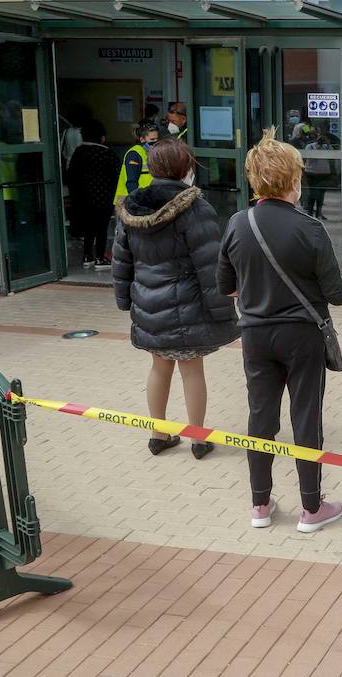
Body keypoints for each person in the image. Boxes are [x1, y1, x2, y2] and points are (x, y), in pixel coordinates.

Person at [217, 131, 342, 532]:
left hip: (255, 333)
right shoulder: (310, 229)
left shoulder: (238, 223)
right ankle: (312, 508)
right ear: (294, 180)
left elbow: (225, 285)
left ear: (254, 180)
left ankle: (260, 504)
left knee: (261, 416)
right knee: (306, 416)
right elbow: (337, 295)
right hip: (302, 335)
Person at [112, 139, 238, 460]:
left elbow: (121, 262)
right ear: (186, 168)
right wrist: (224, 312)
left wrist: (126, 302)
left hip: (148, 307)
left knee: (159, 367)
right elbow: (210, 268)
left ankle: (158, 435)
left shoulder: (131, 207)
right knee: (192, 369)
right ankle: (197, 439)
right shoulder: (195, 208)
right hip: (187, 307)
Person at [65, 120, 119, 269]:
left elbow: (70, 176)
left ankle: (87, 256)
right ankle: (100, 258)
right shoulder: (109, 155)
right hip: (104, 198)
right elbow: (116, 177)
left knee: (88, 228)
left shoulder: (79, 153)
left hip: (82, 199)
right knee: (101, 228)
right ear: (102, 137)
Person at [114, 120, 160, 204]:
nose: (155, 142)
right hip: (130, 202)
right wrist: (137, 202)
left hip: (146, 200)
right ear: (142, 139)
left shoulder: (153, 153)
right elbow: (131, 182)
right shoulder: (134, 154)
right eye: (152, 139)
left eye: (157, 139)